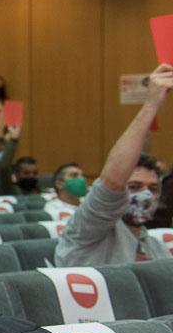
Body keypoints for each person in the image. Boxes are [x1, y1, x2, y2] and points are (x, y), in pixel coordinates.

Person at [55, 65, 172, 266]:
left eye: (153, 189)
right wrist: (152, 104)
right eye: (134, 187)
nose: (145, 196)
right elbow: (112, 181)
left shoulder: (156, 247)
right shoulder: (88, 229)